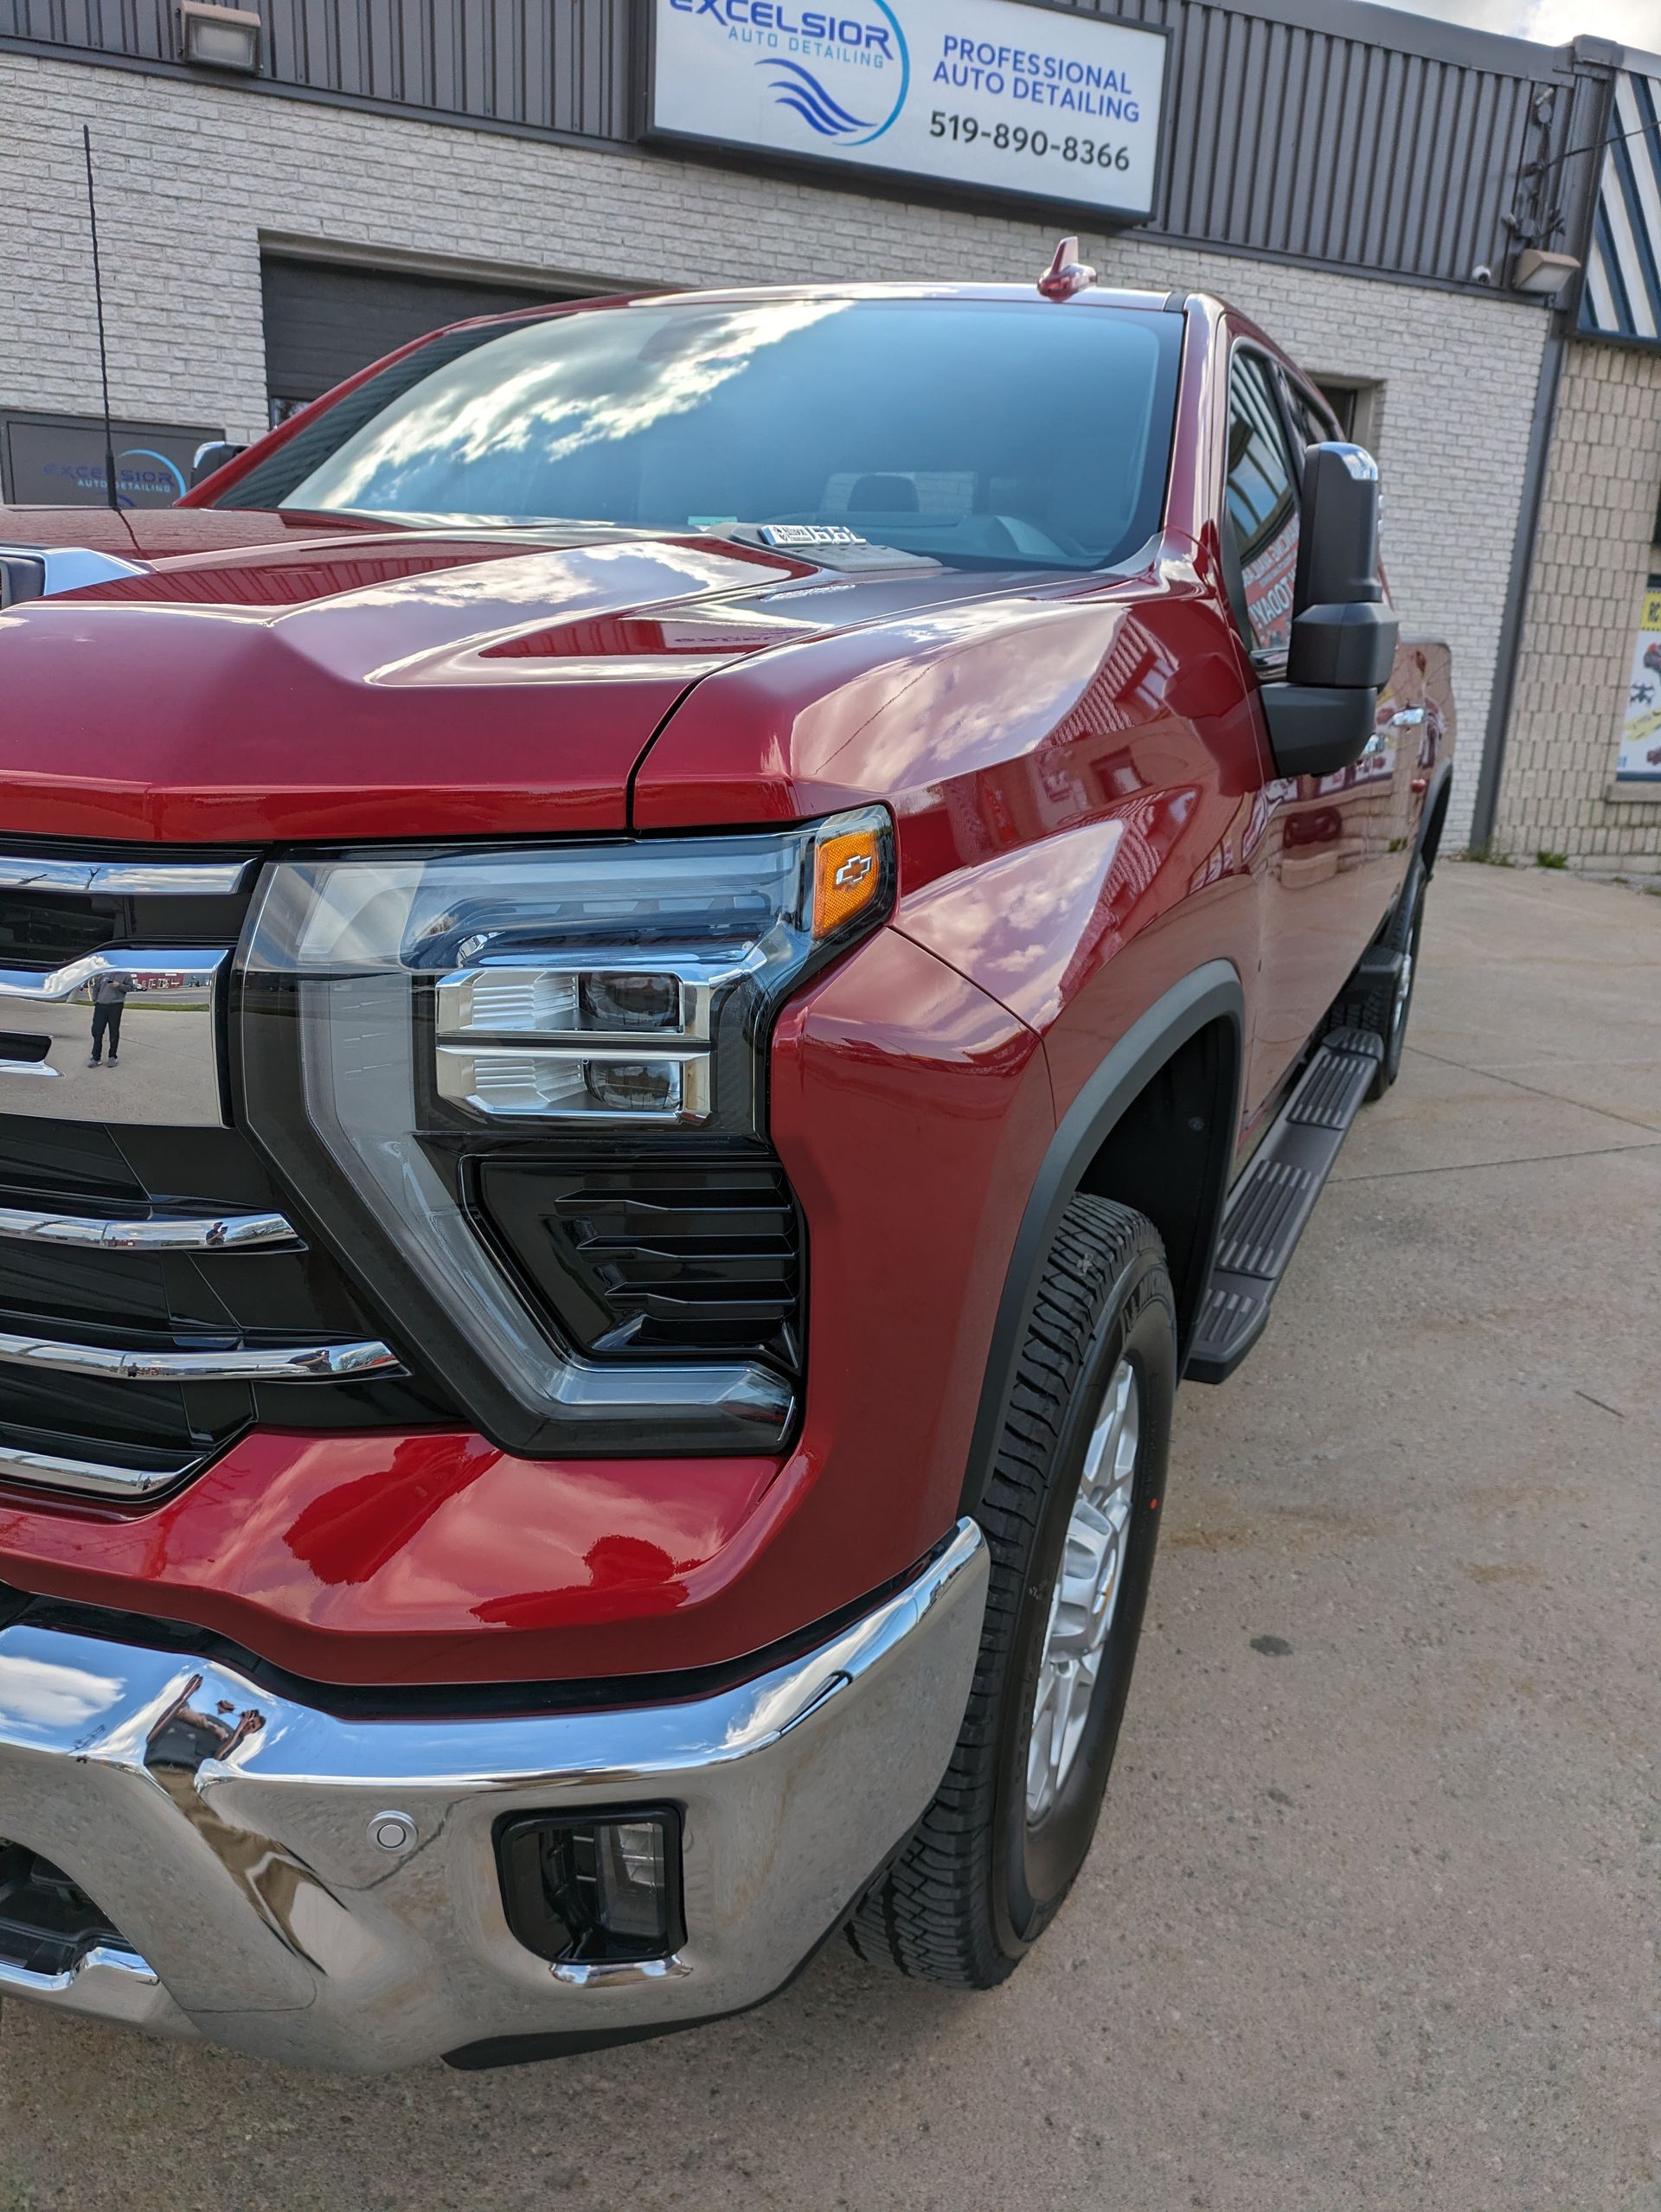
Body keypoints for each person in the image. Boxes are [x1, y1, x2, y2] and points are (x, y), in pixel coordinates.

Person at [88, 971, 131, 1066]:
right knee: (96, 1031)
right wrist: (95, 1000)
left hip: (115, 1006)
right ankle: (96, 1058)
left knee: (114, 1032)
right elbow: (96, 988)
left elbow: (130, 988)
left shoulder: (125, 974)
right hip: (100, 1006)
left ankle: (112, 1057)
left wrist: (119, 985)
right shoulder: (103, 973)